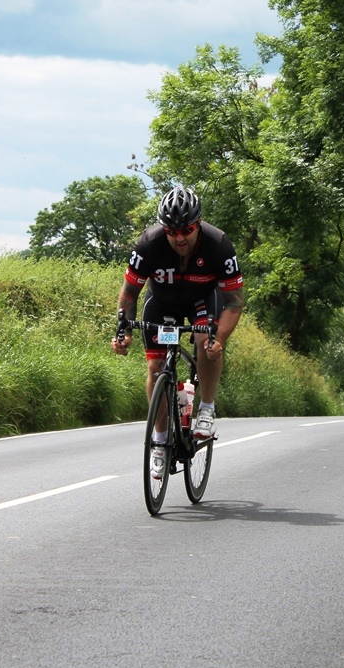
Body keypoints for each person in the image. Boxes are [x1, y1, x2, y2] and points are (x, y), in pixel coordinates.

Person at [111, 186, 245, 479]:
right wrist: (124, 330)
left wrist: (218, 338)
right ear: (163, 227)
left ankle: (206, 410)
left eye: (187, 230)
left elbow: (235, 301)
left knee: (204, 341)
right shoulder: (148, 244)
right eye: (172, 231)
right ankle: (159, 442)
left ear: (198, 224)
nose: (179, 237)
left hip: (202, 300)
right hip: (160, 303)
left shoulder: (218, 244)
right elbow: (130, 293)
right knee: (156, 366)